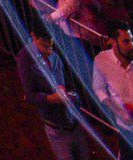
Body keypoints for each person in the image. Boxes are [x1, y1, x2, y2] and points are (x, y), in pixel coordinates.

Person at [17, 20, 89, 160]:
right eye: (44, 46)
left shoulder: (55, 57)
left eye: (51, 46)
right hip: (56, 128)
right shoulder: (25, 58)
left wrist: (72, 95)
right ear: (33, 36)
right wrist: (51, 98)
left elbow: (69, 84)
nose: (48, 50)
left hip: (73, 122)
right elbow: (30, 96)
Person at [92, 25, 133, 145]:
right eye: (126, 41)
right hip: (126, 130)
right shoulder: (102, 60)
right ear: (113, 42)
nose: (132, 46)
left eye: (131, 40)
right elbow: (98, 88)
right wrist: (117, 111)